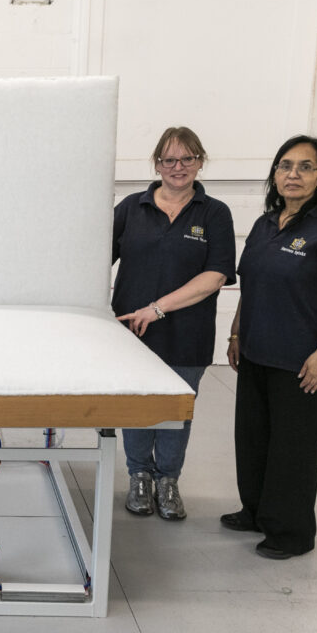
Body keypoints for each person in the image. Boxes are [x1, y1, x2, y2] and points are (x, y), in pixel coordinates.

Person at [222, 135, 317, 559]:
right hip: (258, 353)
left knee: (293, 449)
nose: (293, 174)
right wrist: (235, 333)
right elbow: (252, 284)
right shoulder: (267, 223)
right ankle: (256, 511)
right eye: (285, 166)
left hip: (303, 359)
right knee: (254, 438)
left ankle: (291, 533)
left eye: (304, 167)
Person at [112, 126, 236, 520]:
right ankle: (139, 477)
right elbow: (94, 256)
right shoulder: (131, 207)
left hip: (188, 333)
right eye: (170, 159)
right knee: (136, 406)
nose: (178, 167)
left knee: (175, 408)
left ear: (200, 162)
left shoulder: (214, 213)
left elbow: (216, 275)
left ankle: (167, 480)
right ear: (157, 164)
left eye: (187, 159)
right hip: (132, 332)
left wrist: (158, 308)